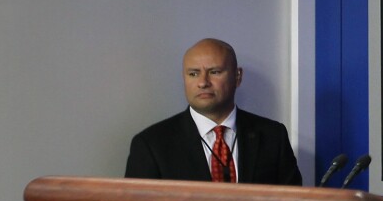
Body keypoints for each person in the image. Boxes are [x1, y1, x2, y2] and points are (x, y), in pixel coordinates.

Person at [125, 38, 303, 186]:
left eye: (214, 72)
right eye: (193, 74)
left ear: (237, 77)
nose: (203, 82)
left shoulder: (273, 136)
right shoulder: (151, 144)